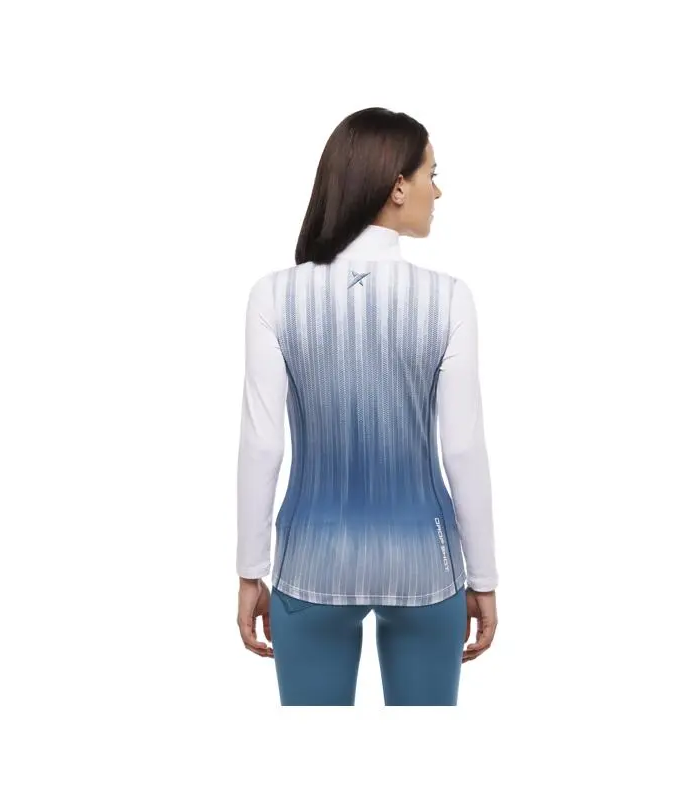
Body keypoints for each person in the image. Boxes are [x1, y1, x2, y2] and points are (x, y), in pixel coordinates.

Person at [235, 107, 499, 705]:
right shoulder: (448, 299)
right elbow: (462, 449)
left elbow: (262, 444)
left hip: (311, 562)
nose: (437, 191)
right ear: (397, 186)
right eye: (432, 174)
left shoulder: (274, 296)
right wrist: (483, 577)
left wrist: (251, 569)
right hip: (425, 563)